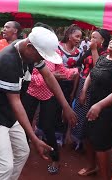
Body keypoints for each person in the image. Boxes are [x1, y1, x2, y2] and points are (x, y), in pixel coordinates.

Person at [0, 27, 77, 180]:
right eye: (40, 55)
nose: (41, 59)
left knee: (23, 152)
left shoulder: (28, 52)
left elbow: (49, 77)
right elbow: (15, 102)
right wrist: (34, 138)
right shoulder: (8, 61)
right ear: (30, 46)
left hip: (10, 114)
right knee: (5, 166)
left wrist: (65, 105)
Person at [22, 23, 78, 174]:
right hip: (31, 92)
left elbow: (60, 70)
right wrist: (50, 76)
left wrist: (70, 73)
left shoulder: (54, 54)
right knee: (24, 122)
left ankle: (55, 158)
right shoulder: (30, 53)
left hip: (48, 94)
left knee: (48, 127)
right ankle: (23, 150)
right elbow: (31, 78)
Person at [78, 34, 112, 179]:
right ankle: (91, 166)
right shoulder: (102, 58)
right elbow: (92, 73)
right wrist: (83, 90)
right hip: (93, 104)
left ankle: (104, 176)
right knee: (88, 137)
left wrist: (99, 106)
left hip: (107, 109)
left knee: (101, 144)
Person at [71, 29, 111, 148]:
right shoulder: (88, 50)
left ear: (103, 40)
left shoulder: (106, 53)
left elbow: (98, 68)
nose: (91, 40)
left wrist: (94, 50)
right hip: (82, 82)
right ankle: (76, 139)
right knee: (79, 109)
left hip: (93, 85)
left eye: (94, 38)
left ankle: (84, 141)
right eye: (91, 37)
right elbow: (80, 63)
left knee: (86, 113)